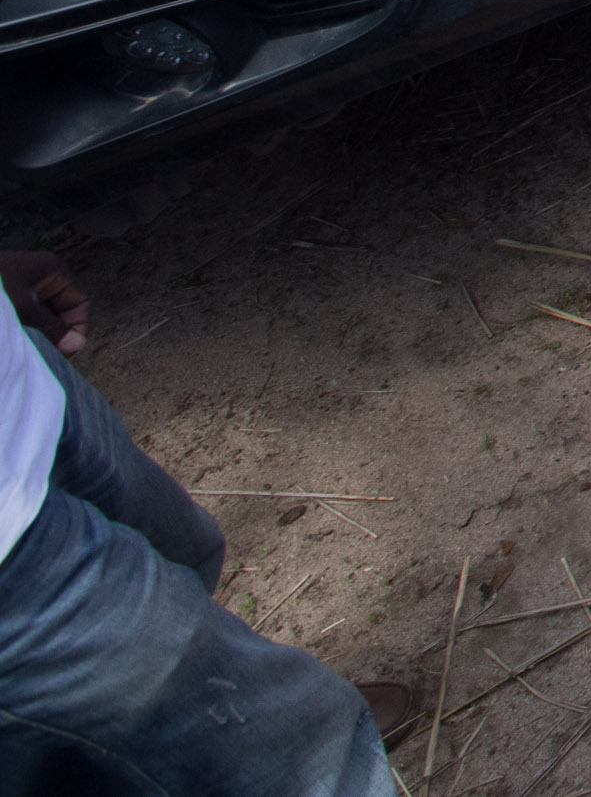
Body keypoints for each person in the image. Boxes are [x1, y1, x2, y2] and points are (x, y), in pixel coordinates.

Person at [0, 248, 392, 789]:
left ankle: (209, 719)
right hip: (12, 566)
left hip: (24, 389)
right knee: (318, 778)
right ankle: (253, 751)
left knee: (182, 552)